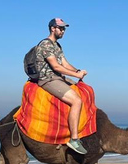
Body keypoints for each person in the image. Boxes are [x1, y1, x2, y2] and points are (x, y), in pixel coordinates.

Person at [34, 18, 89, 155]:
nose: (63, 31)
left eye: (64, 28)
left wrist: (78, 72)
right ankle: (74, 139)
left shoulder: (57, 46)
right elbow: (56, 66)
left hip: (58, 77)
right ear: (53, 28)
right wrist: (75, 75)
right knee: (76, 101)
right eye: (60, 28)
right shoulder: (45, 45)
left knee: (83, 90)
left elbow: (65, 64)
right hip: (48, 79)